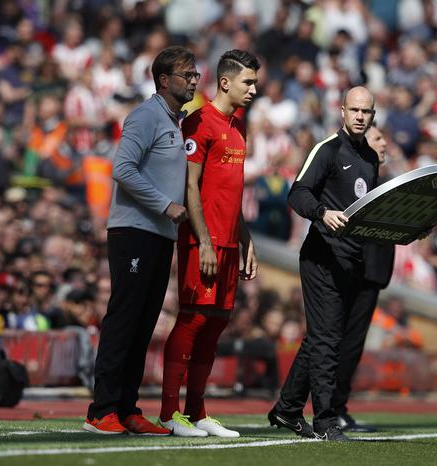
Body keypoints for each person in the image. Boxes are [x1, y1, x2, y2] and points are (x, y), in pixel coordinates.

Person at [268, 86, 437, 442]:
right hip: (321, 256)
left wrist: (411, 228)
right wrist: (321, 213)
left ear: (374, 116)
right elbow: (297, 192)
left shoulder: (369, 159)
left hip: (351, 258)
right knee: (327, 340)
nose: (360, 116)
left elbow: (375, 215)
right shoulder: (327, 149)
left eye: (367, 112)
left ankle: (287, 409)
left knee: (323, 339)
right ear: (342, 111)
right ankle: (326, 422)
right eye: (354, 110)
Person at [83, 46, 197, 435]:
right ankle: (101, 410)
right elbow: (122, 169)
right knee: (125, 317)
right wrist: (166, 205)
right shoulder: (146, 116)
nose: (195, 80)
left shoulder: (173, 122)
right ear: (164, 80)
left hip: (158, 234)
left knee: (145, 321)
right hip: (134, 230)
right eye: (188, 74)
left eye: (195, 73)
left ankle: (128, 407)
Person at [157, 50, 260, 438]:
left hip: (230, 242)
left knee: (216, 323)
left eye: (254, 82)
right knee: (194, 318)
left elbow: (232, 194)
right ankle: (169, 413)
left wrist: (246, 240)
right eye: (248, 82)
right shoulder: (199, 123)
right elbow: (189, 186)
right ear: (225, 82)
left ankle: (197, 411)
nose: (254, 89)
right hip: (202, 239)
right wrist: (202, 241)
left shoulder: (239, 126)